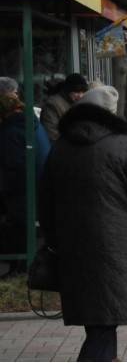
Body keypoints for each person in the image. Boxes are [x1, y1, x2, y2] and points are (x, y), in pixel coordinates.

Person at [39, 86, 127, 362]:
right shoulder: (125, 144)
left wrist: (53, 239)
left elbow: (45, 200)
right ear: (111, 114)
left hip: (73, 249)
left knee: (97, 322)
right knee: (103, 327)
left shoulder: (61, 146)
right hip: (117, 251)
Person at [0, 83, 51, 276]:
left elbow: (13, 167)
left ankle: (20, 268)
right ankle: (20, 266)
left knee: (18, 226)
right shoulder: (27, 121)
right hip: (35, 185)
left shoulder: (11, 130)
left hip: (25, 189)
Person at [40, 73, 88, 142]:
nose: (80, 95)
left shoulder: (80, 103)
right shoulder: (52, 105)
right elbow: (52, 134)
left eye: (83, 92)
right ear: (68, 90)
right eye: (76, 92)